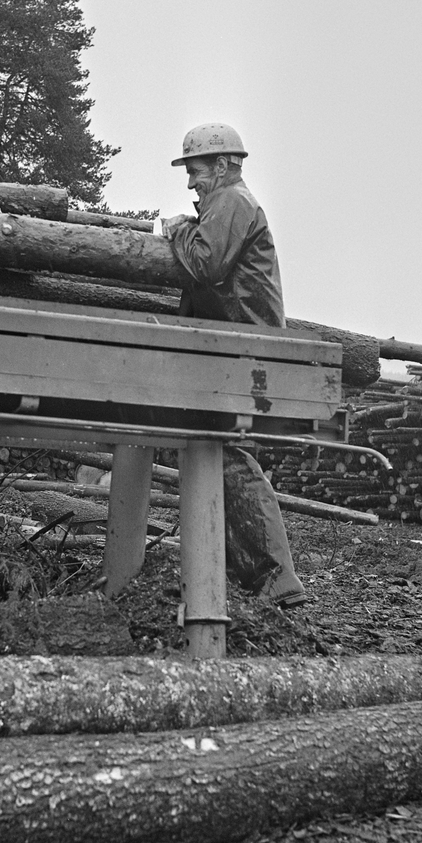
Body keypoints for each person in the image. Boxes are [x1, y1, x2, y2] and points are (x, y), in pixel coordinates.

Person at [161, 123, 308, 607]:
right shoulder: (226, 204)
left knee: (231, 461)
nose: (190, 183)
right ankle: (254, 577)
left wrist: (179, 227)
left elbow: (205, 264)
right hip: (234, 351)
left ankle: (275, 577)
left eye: (196, 171)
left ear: (222, 165)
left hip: (245, 353)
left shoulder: (233, 201)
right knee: (214, 455)